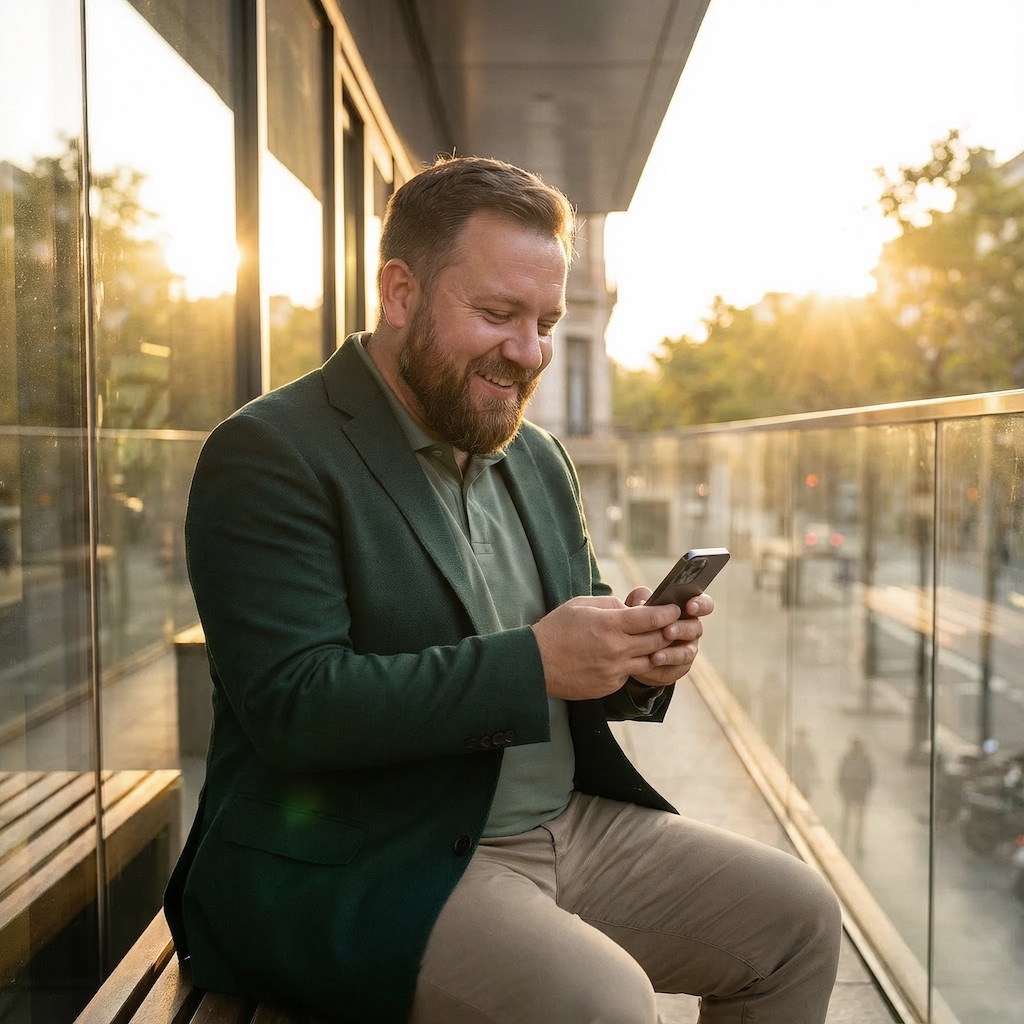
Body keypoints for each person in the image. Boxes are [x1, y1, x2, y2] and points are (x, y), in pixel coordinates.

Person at [164, 155, 841, 1024]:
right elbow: (295, 706)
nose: (529, 353)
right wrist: (536, 664)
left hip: (567, 826)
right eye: (497, 314)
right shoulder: (269, 453)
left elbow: (581, 639)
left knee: (798, 921)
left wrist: (642, 659)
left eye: (546, 322)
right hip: (368, 856)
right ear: (400, 291)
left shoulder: (536, 456)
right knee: (603, 1003)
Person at [838, 736, 874, 856]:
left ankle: (858, 843)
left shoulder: (865, 759)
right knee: (847, 817)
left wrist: (866, 788)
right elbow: (841, 773)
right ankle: (844, 841)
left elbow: (870, 775)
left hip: (860, 789)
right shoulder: (847, 758)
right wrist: (842, 787)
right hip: (850, 788)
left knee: (859, 818)